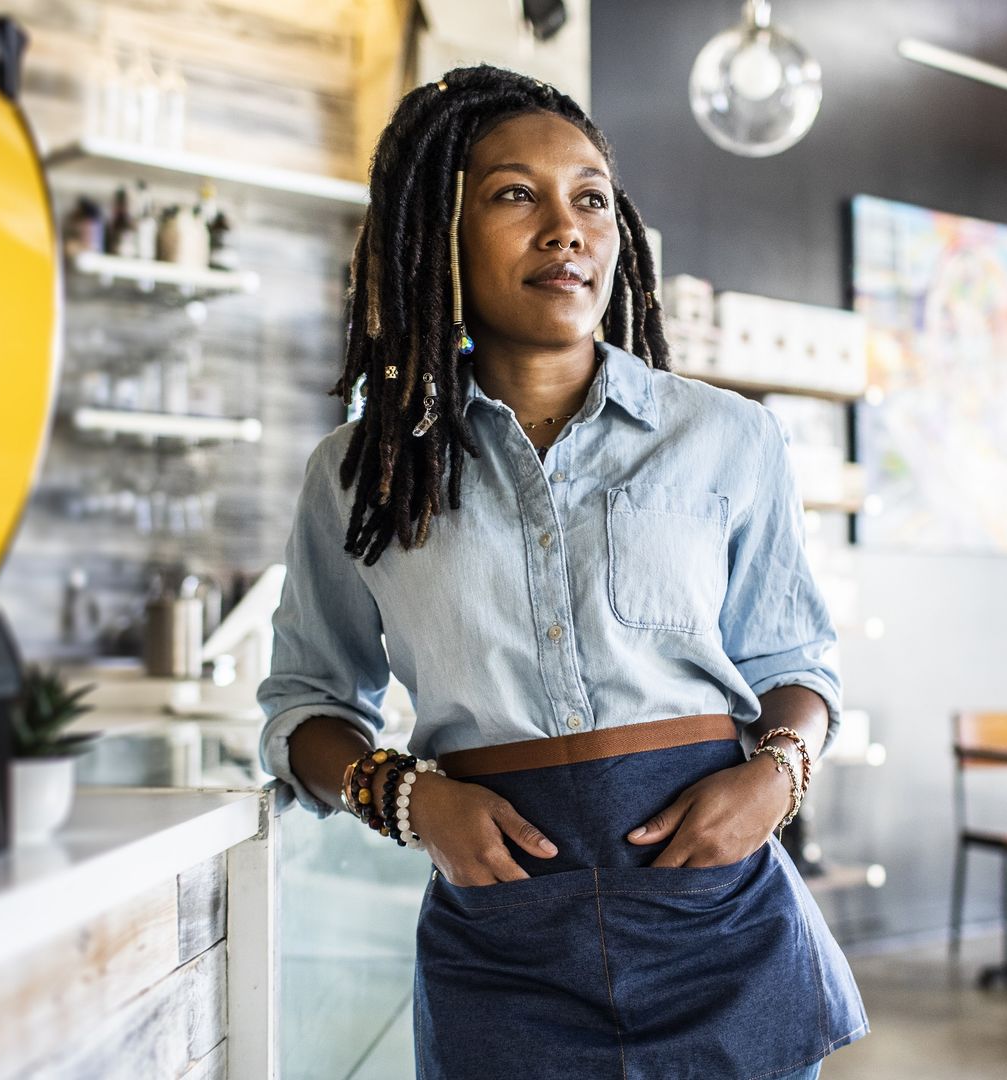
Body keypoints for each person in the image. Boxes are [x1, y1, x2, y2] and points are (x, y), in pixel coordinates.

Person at [258, 64, 866, 1080]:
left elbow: (795, 663)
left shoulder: (729, 438)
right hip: (501, 951)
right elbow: (306, 704)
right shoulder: (362, 473)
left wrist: (777, 777)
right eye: (513, 195)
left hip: (716, 923)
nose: (566, 228)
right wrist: (406, 798)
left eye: (589, 196)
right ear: (435, 233)